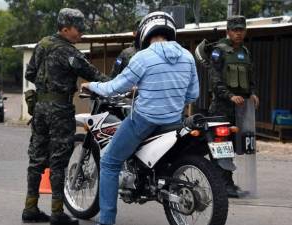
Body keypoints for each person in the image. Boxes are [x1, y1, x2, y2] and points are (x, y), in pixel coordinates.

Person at [82, 12, 199, 225]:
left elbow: (114, 87)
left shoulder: (142, 57)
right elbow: (193, 95)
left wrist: (91, 85)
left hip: (144, 122)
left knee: (109, 162)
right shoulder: (188, 56)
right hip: (174, 122)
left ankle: (106, 221)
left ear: (146, 32)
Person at [22, 8, 108, 225]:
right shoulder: (69, 52)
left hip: (40, 107)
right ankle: (57, 213)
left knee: (36, 158)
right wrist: (118, 84)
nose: (81, 34)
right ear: (65, 28)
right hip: (59, 110)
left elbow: (29, 73)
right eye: (78, 29)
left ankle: (30, 208)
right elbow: (94, 74)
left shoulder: (42, 44)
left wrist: (47, 83)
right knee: (59, 160)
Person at [207, 15, 259, 198]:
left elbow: (250, 78)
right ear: (228, 31)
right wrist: (230, 96)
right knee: (222, 147)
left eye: (241, 30)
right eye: (235, 30)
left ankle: (227, 184)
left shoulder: (245, 52)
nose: (238, 33)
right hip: (222, 108)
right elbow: (215, 81)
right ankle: (222, 185)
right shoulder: (219, 51)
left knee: (234, 146)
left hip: (240, 109)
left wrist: (252, 93)